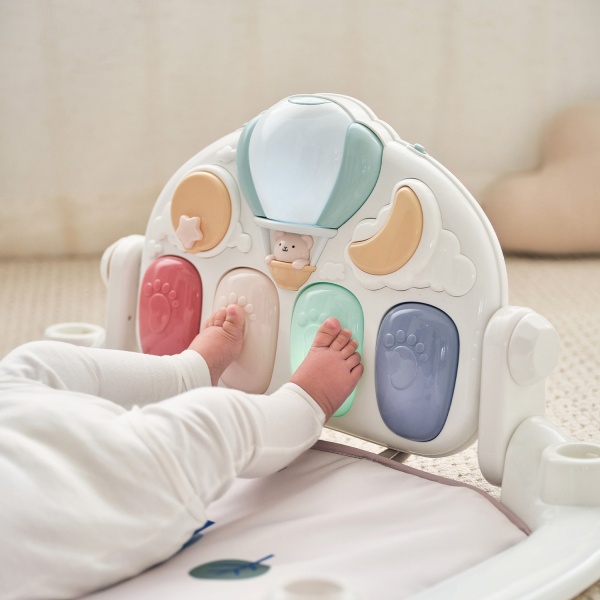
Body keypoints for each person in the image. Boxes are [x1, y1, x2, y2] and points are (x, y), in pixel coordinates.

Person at [0, 304, 363, 600]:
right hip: (69, 501)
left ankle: (186, 373)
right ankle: (309, 400)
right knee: (214, 422)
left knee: (34, 361)